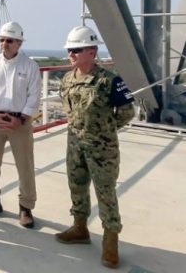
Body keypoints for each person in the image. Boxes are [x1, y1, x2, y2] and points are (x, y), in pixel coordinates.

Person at [56, 26, 134, 269]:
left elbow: (127, 113)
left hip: (102, 148)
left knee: (105, 192)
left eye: (76, 50)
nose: (71, 55)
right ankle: (80, 228)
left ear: (92, 51)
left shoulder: (110, 80)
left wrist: (104, 131)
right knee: (77, 186)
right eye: (69, 50)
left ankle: (111, 242)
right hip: (75, 144)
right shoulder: (68, 79)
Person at [0, 21, 41, 228]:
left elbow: (34, 96)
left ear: (19, 43)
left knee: (25, 165)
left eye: (10, 40)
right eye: (2, 40)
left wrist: (20, 119)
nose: (5, 44)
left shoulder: (30, 66)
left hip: (20, 122)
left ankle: (26, 207)